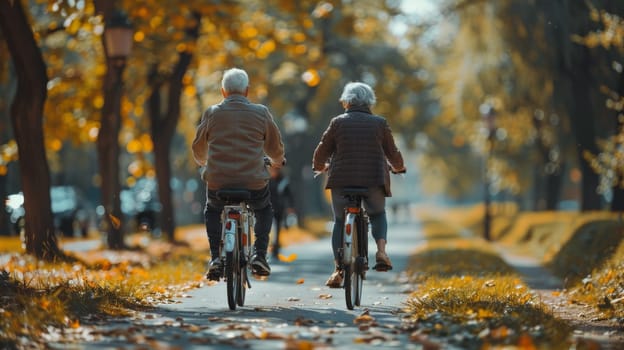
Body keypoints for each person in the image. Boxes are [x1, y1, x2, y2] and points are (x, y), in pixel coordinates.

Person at [192, 68, 285, 280]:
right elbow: (274, 148)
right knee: (263, 209)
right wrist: (278, 161)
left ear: (223, 92)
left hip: (218, 181)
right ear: (247, 91)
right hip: (253, 181)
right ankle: (260, 254)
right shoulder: (261, 113)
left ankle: (215, 257)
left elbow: (198, 147)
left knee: (213, 210)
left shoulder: (212, 113)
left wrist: (204, 163)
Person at [312, 81, 406, 288]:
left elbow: (321, 151)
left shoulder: (337, 122)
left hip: (341, 181)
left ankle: (338, 269)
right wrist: (399, 167)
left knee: (339, 220)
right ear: (370, 102)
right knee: (378, 214)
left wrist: (320, 166)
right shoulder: (380, 123)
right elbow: (393, 153)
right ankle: (381, 252)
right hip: (373, 180)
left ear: (346, 101)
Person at [268, 166, 295, 258]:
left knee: (278, 228)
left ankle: (276, 246)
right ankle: (270, 245)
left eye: (275, 170)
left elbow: (289, 194)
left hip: (279, 207)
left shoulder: (283, 181)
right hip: (267, 207)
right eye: (272, 170)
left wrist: (290, 206)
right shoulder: (267, 180)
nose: (273, 172)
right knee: (268, 227)